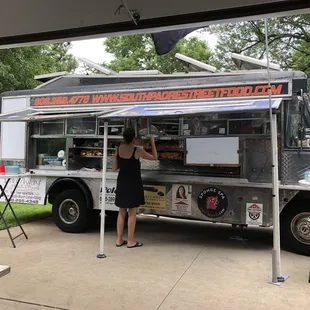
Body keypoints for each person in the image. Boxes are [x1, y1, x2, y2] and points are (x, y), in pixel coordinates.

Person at [112, 128, 157, 248]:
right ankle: (131, 241)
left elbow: (114, 168)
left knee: (121, 212)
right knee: (132, 213)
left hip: (122, 182)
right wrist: (152, 142)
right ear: (133, 138)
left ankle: (119, 240)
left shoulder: (118, 149)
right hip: (133, 183)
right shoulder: (137, 150)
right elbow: (154, 157)